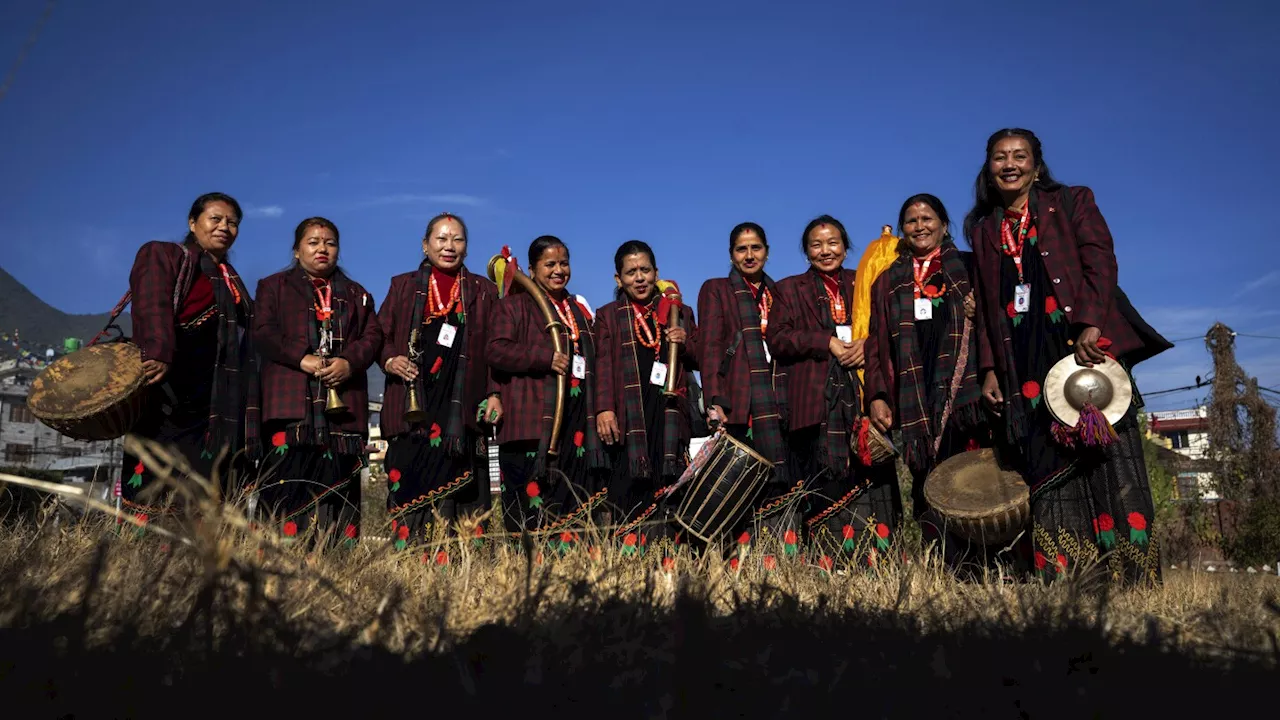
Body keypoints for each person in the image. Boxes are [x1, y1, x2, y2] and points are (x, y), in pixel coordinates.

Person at [964, 128, 1162, 585]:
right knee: (1045, 462)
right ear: (988, 166)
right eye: (1000, 157)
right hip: (1023, 358)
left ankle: (1132, 578)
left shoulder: (1071, 200)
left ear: (1036, 163)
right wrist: (990, 368)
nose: (1009, 164)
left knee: (1109, 459)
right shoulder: (983, 227)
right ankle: (1068, 578)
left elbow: (1101, 261)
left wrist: (1091, 322)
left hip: (1081, 348)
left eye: (1020, 156)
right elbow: (990, 304)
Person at [864, 195, 990, 572]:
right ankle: (945, 564)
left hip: (964, 389)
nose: (920, 226)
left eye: (927, 218)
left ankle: (982, 562)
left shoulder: (970, 267)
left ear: (944, 225)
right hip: (914, 393)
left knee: (969, 472)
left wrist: (979, 311)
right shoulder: (887, 282)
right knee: (927, 477)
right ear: (902, 230)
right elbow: (876, 343)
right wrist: (879, 395)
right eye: (911, 220)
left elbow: (997, 321)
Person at [120, 192, 259, 519]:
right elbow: (151, 305)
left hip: (216, 400)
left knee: (206, 480)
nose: (225, 226)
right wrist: (157, 352)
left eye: (233, 222)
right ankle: (143, 557)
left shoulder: (231, 279)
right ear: (192, 223)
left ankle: (201, 559)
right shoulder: (165, 254)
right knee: (159, 471)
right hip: (169, 387)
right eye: (216, 218)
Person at [771, 215, 903, 563]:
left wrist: (867, 344)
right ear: (806, 251)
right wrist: (825, 341)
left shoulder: (865, 281)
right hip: (815, 406)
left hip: (862, 400)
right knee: (825, 485)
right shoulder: (788, 289)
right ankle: (829, 562)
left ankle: (881, 563)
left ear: (846, 247)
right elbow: (779, 338)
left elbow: (886, 327)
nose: (825, 250)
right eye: (816, 244)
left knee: (873, 481)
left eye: (833, 243)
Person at [251, 217, 383, 543]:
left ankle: (336, 562)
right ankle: (273, 562)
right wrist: (302, 358)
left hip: (343, 409)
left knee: (338, 486)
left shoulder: (357, 294)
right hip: (290, 405)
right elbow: (263, 333)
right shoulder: (273, 286)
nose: (322, 248)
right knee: (284, 484)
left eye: (330, 242)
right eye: (313, 242)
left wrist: (349, 362)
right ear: (296, 250)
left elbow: (373, 336)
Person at [378, 213, 501, 550]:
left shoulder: (483, 290)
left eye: (457, 239)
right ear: (425, 244)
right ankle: (409, 570)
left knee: (465, 498)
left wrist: (493, 392)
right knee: (411, 490)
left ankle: (466, 575)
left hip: (460, 411)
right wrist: (390, 359)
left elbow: (494, 347)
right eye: (441, 239)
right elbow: (379, 334)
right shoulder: (402, 285)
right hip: (413, 405)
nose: (449, 246)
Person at [488, 236, 607, 539]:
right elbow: (496, 350)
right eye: (549, 264)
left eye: (563, 263)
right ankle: (525, 573)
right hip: (531, 422)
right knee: (529, 508)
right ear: (531, 269)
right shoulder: (513, 306)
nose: (558, 270)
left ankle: (567, 571)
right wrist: (544, 358)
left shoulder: (578, 308)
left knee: (571, 502)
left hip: (575, 423)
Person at [594, 240, 699, 549]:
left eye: (645, 270)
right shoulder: (608, 315)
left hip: (668, 412)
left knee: (671, 484)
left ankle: (672, 558)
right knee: (628, 486)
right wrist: (604, 409)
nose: (639, 278)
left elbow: (700, 357)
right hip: (628, 417)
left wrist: (685, 341)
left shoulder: (679, 311)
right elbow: (601, 366)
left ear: (656, 273)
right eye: (630, 272)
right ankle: (631, 562)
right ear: (618, 279)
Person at [696, 222, 794, 549]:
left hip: (777, 401)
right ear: (731, 254)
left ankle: (775, 556)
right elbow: (710, 348)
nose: (749, 255)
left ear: (767, 251)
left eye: (756, 248)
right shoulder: (716, 289)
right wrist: (715, 399)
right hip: (738, 401)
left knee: (778, 484)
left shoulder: (780, 292)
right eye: (742, 249)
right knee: (735, 485)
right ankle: (731, 558)